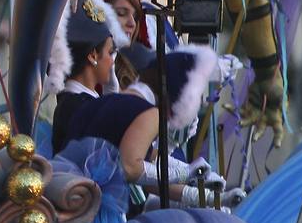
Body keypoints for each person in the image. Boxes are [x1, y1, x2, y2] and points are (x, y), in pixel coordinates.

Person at [64, 44, 243, 213]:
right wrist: (185, 174)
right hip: (87, 203)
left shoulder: (123, 101)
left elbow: (149, 163)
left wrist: (205, 195)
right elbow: (131, 168)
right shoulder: (148, 112)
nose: (201, 102)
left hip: (74, 192)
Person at [46, 0, 128, 155]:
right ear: (92, 56)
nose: (112, 62)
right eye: (110, 52)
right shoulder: (79, 107)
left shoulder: (78, 103)